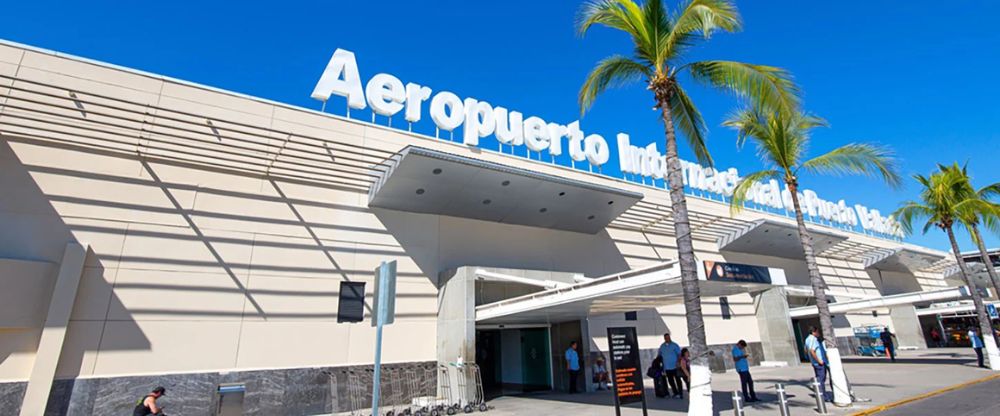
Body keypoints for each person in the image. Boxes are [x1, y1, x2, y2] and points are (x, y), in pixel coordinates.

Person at [804, 327, 831, 402]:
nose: (818, 333)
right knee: (821, 379)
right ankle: (823, 396)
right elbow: (812, 351)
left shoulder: (807, 339)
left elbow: (805, 349)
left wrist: (810, 359)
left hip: (815, 363)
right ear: (813, 332)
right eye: (817, 331)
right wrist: (819, 360)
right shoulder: (813, 339)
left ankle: (821, 394)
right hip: (819, 363)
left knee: (820, 379)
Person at [657, 333, 683, 399]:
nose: (667, 339)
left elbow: (679, 354)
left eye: (668, 337)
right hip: (667, 367)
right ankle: (675, 392)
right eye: (666, 338)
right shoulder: (662, 346)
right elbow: (659, 355)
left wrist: (678, 362)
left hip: (675, 366)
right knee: (670, 381)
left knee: (678, 380)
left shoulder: (675, 345)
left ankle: (680, 393)